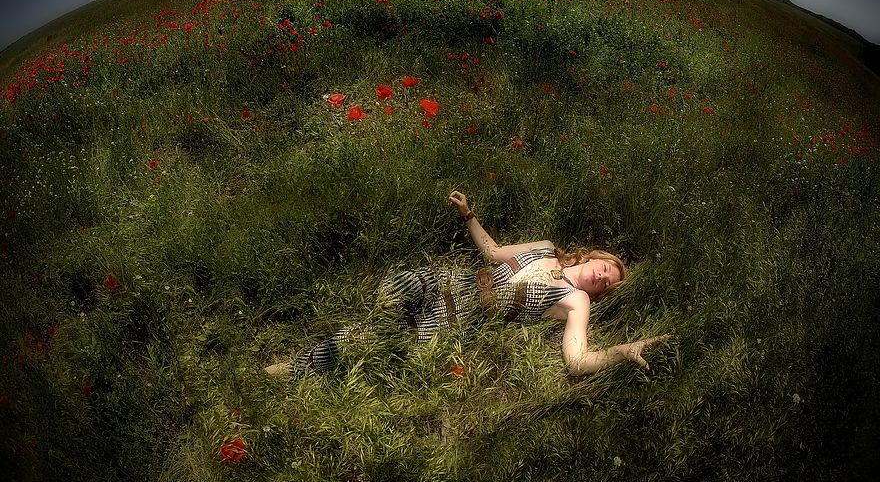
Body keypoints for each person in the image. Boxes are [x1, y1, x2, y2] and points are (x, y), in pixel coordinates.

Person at [265, 190, 670, 378]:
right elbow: (493, 254)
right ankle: (331, 339)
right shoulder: (546, 248)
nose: (602, 277)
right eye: (606, 268)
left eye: (607, 284)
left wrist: (621, 352)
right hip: (448, 280)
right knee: (392, 293)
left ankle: (298, 367)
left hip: (461, 315)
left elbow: (577, 361)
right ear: (594, 256)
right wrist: (468, 215)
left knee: (377, 341)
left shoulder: (575, 300)